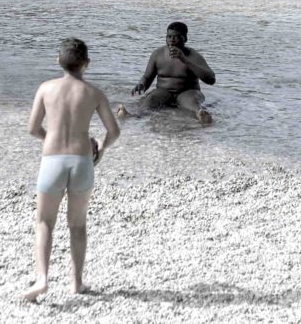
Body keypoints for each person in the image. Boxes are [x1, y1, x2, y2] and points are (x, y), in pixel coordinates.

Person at [24, 38, 120, 302]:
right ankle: (76, 282)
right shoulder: (94, 93)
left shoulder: (46, 88)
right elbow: (114, 131)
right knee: (77, 224)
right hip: (81, 161)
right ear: (86, 64)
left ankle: (42, 279)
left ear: (58, 61)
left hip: (52, 160)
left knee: (44, 221)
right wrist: (101, 145)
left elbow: (33, 129)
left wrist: (50, 139)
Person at [116, 22, 215, 124]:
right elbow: (147, 77)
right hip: (164, 91)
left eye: (176, 37)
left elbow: (211, 79)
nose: (172, 39)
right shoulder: (158, 54)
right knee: (150, 100)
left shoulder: (193, 55)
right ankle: (133, 115)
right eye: (169, 36)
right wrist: (142, 84)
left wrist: (184, 59)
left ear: (185, 38)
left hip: (187, 92)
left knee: (193, 103)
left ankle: (202, 116)